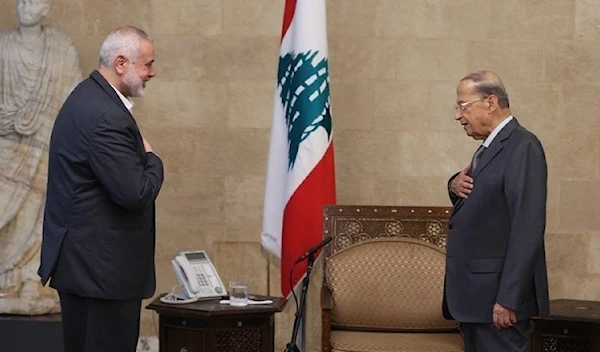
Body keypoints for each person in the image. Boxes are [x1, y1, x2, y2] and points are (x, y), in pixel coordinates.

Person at [38, 26, 163, 352]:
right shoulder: (107, 115)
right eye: (147, 64)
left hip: (87, 270)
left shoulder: (87, 97)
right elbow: (135, 193)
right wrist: (153, 160)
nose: (153, 72)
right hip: (103, 275)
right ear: (121, 63)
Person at [442, 71, 549, 352]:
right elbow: (488, 200)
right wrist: (454, 185)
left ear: (490, 102)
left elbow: (528, 227)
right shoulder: (489, 149)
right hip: (477, 300)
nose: (458, 115)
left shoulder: (522, 146)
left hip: (497, 302)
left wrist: (509, 299)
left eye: (463, 106)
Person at [0, 0, 81, 314]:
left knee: (38, 215)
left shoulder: (62, 48)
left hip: (45, 146)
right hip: (6, 146)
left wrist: (43, 119)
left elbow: (73, 98)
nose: (24, 7)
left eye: (32, 1)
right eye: (20, 1)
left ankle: (29, 279)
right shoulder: (3, 46)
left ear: (46, 8)